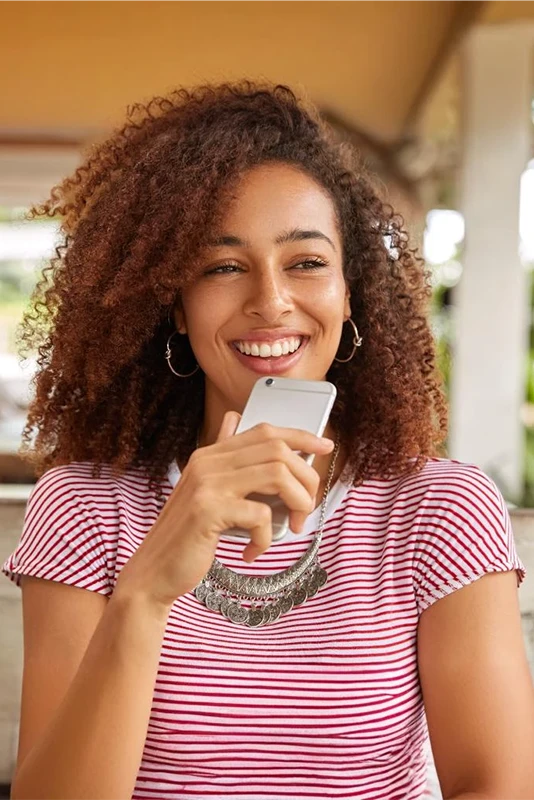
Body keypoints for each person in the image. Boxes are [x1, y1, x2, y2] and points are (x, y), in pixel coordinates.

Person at [3, 81, 533, 800]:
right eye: (223, 266)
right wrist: (147, 593)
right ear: (176, 307)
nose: (270, 300)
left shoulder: (438, 508)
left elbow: (497, 786)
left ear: (350, 295)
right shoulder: (84, 506)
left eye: (306, 262)